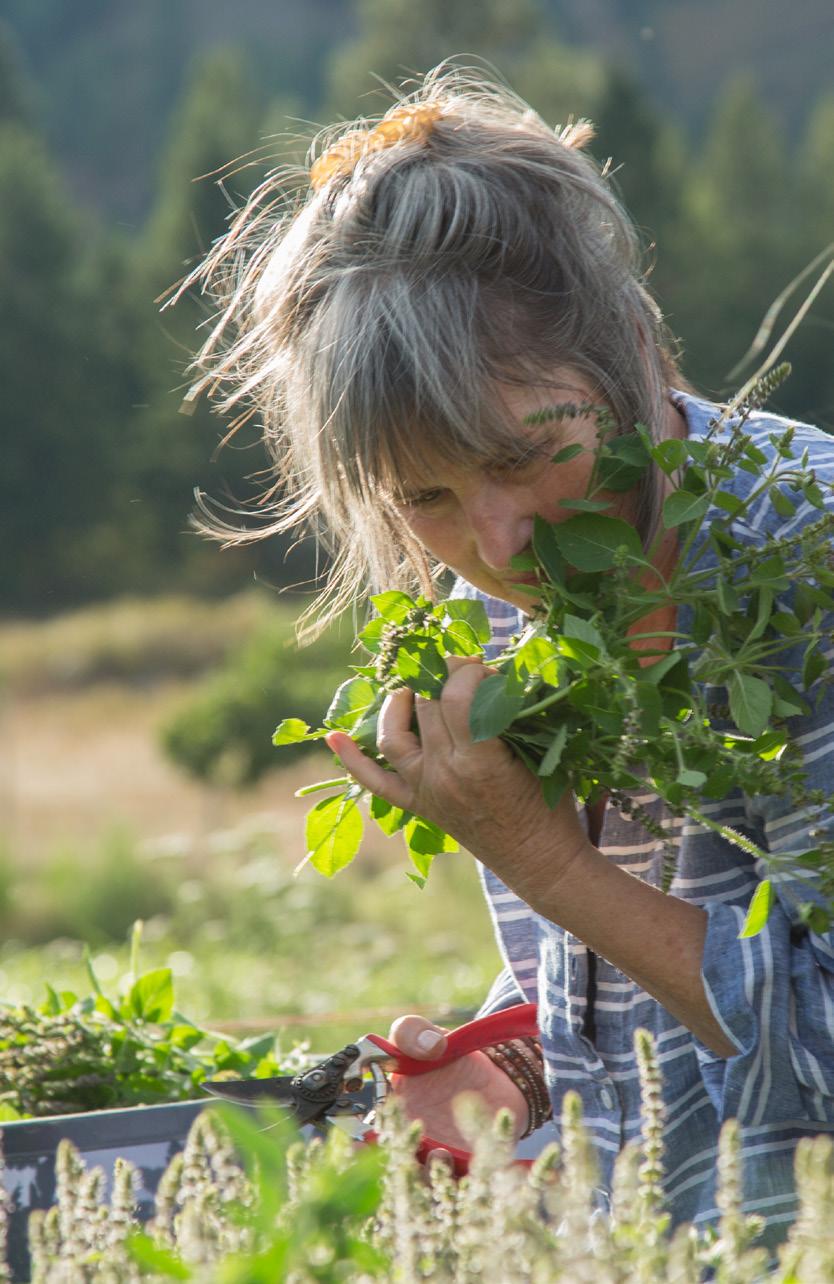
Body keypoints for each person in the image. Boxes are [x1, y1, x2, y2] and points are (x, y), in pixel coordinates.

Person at [182, 65, 834, 1245]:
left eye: (522, 457)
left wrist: (540, 857)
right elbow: (660, 950)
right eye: (423, 495)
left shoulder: (805, 562)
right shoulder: (503, 605)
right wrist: (519, 1057)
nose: (494, 544)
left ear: (632, 351)